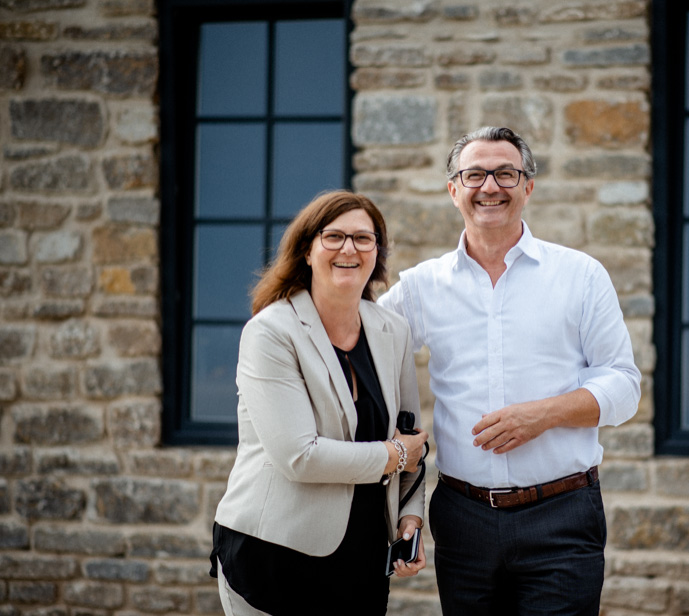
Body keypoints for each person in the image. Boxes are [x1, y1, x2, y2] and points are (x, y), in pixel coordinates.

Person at [378, 126, 642, 615]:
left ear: (528, 187)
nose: (490, 186)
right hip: (463, 520)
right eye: (474, 174)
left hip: (563, 515)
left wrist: (544, 414)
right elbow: (359, 345)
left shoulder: (581, 276)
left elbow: (624, 387)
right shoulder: (422, 287)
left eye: (505, 173)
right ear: (453, 189)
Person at [209, 190, 429, 616]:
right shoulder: (270, 332)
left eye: (363, 239)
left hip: (362, 560)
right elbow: (299, 456)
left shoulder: (392, 331)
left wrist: (411, 518)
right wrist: (394, 455)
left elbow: (410, 438)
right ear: (307, 250)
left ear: (377, 253)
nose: (349, 248)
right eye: (334, 236)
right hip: (273, 554)